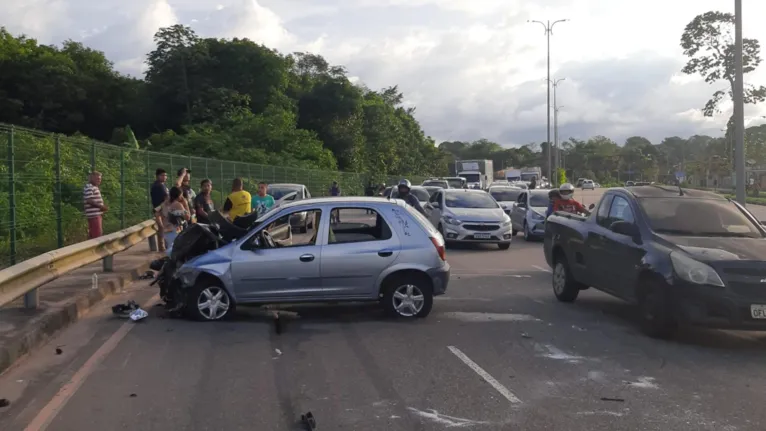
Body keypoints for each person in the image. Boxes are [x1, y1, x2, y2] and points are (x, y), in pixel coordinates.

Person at [155, 187, 190, 256]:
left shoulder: (164, 204)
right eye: (181, 195)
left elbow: (156, 212)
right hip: (175, 230)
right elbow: (187, 217)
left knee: (170, 247)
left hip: (166, 230)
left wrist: (161, 225)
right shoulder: (178, 205)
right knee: (174, 250)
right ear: (179, 195)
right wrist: (186, 204)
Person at [83, 171, 108, 239]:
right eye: (97, 179)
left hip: (96, 215)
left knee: (94, 233)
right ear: (91, 178)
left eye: (100, 179)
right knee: (97, 235)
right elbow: (89, 200)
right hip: (94, 215)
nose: (99, 180)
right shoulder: (89, 187)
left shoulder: (94, 187)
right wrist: (101, 206)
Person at [150, 168, 169, 251]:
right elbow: (166, 198)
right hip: (159, 210)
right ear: (157, 176)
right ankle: (163, 248)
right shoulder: (159, 185)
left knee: (162, 228)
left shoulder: (161, 185)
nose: (165, 177)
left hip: (160, 209)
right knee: (162, 228)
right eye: (162, 175)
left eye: (165, 175)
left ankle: (163, 247)